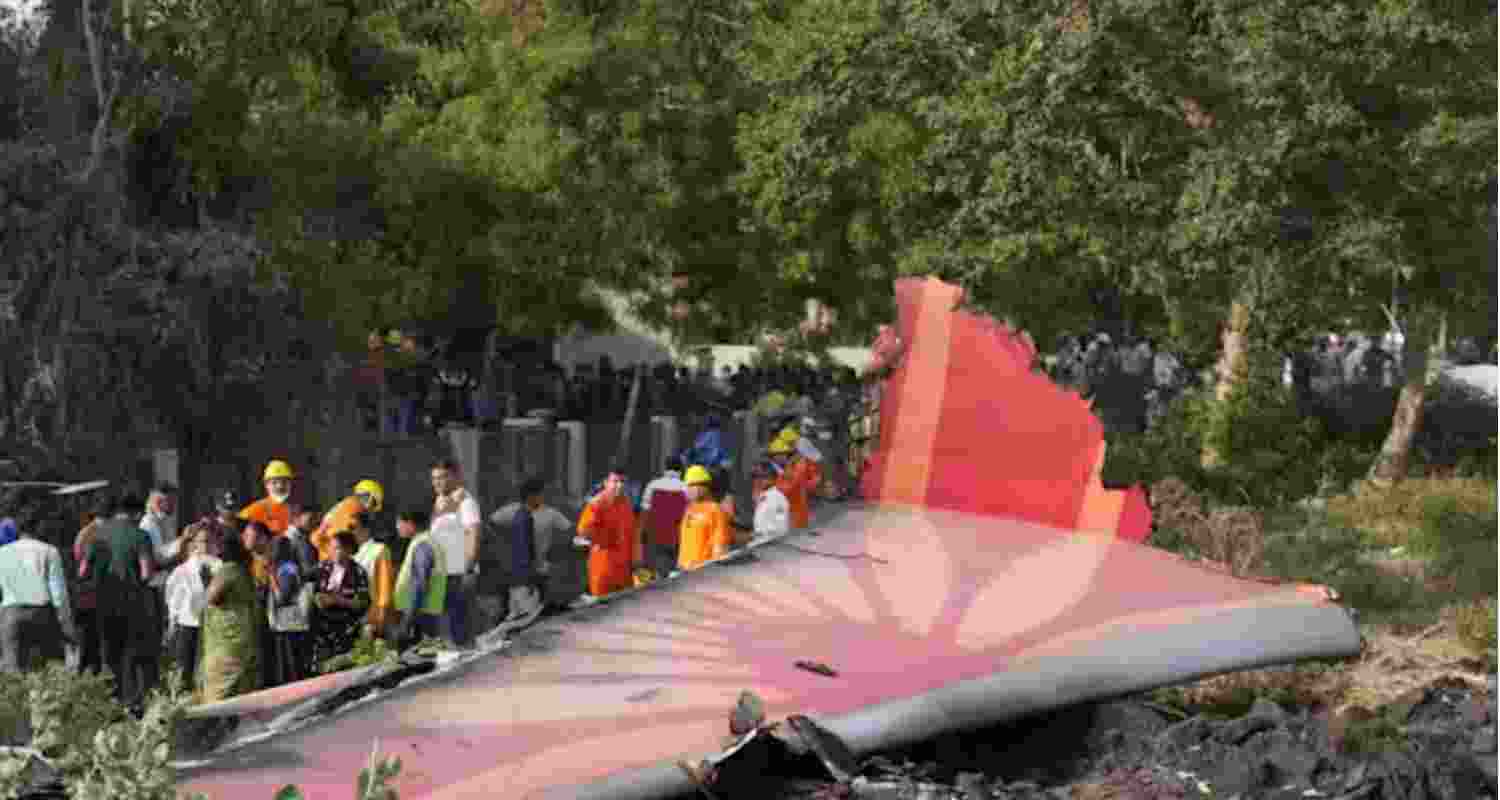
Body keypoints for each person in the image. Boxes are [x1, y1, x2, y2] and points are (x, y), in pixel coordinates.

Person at [84, 494, 160, 712]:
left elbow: (83, 571)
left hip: (104, 604)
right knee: (132, 654)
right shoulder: (140, 535)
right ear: (136, 513)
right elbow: (146, 573)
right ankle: (132, 702)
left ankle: (110, 702)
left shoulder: (97, 535)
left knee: (109, 652)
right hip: (133, 604)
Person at [0, 514, 77, 673]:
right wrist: (67, 625)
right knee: (44, 669)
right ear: (39, 527)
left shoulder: (2, 553)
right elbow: (59, 594)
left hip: (11, 614)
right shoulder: (49, 551)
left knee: (13, 671)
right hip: (42, 614)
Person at [198, 525, 260, 704]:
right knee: (239, 696)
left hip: (226, 643)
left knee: (217, 699)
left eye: (216, 543)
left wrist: (206, 581)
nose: (213, 547)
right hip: (240, 641)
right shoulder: (241, 569)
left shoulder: (228, 570)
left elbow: (211, 598)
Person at [429, 458, 480, 647]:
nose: (437, 482)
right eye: (434, 478)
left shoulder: (466, 503)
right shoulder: (441, 502)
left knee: (459, 630)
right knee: (446, 631)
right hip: (442, 574)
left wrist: (468, 570)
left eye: (442, 477)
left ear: (455, 476)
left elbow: (473, 536)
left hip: (458, 574)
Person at [165, 523, 220, 692]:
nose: (206, 546)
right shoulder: (182, 571)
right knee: (185, 671)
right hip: (189, 625)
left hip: (214, 626)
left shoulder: (220, 567)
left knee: (210, 672)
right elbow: (173, 600)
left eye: (210, 541)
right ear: (194, 544)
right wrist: (172, 624)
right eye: (202, 541)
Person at [576, 465, 639, 598]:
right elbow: (583, 529)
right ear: (606, 483)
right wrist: (602, 538)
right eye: (615, 481)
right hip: (603, 569)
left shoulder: (625, 503)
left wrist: (636, 558)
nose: (619, 485)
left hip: (624, 570)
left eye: (623, 481)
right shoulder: (597, 503)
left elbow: (632, 533)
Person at [311, 532, 371, 668]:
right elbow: (305, 585)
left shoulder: (358, 572)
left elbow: (362, 603)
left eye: (338, 548)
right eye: (331, 548)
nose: (334, 552)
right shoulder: (322, 568)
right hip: (323, 632)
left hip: (347, 632)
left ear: (349, 549)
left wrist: (338, 600)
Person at [391, 509, 446, 648]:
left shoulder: (422, 544)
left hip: (420, 617)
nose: (397, 526)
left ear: (410, 523)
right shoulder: (428, 541)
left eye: (399, 522)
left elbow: (420, 584)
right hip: (425, 614)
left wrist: (407, 622)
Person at [267, 536, 313, 687]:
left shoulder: (287, 569)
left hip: (288, 622)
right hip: (290, 622)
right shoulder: (291, 567)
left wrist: (272, 580)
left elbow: (283, 597)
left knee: (290, 662)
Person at [311, 480, 384, 563]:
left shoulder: (342, 507)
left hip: (327, 559)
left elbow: (315, 538)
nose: (371, 510)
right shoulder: (352, 511)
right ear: (368, 497)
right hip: (334, 562)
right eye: (373, 504)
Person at [639, 457, 688, 578]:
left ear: (665, 469)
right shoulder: (685, 488)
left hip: (654, 538)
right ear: (681, 470)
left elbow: (644, 513)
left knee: (653, 576)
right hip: (676, 539)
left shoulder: (652, 485)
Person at [677, 466, 733, 571]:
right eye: (690, 485)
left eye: (697, 484)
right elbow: (685, 543)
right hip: (683, 571)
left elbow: (719, 549)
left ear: (706, 487)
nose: (692, 489)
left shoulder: (716, 511)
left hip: (702, 575)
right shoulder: (689, 509)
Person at [349, 512, 395, 639]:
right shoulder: (351, 553)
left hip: (372, 622)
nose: (349, 532)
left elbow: (385, 589)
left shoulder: (379, 550)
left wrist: (380, 621)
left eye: (352, 527)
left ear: (366, 529)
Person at [239, 460, 296, 537]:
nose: (280, 486)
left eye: (284, 482)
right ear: (266, 485)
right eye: (274, 482)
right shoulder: (253, 511)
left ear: (290, 484)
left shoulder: (296, 511)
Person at [751, 460, 791, 540]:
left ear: (773, 478)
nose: (759, 480)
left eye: (764, 476)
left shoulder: (779, 499)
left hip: (774, 547)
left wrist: (756, 534)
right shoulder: (762, 496)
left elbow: (781, 529)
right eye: (756, 476)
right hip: (760, 544)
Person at [284, 505, 321, 579]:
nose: (314, 523)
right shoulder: (290, 539)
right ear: (296, 518)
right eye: (311, 519)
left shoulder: (305, 537)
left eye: (315, 519)